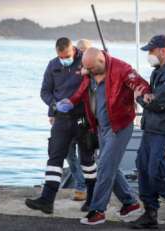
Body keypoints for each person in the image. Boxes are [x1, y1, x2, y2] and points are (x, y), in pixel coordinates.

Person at [56, 47, 151, 225]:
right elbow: (83, 89)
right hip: (101, 127)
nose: (87, 72)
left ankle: (98, 210)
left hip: (119, 126)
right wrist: (71, 101)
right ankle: (130, 202)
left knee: (105, 167)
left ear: (101, 61)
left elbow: (140, 83)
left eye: (90, 69)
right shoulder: (91, 72)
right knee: (107, 166)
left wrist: (144, 93)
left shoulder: (122, 69)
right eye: (86, 68)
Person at [25, 37, 97, 214]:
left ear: (73, 50)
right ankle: (47, 200)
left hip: (83, 118)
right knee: (55, 158)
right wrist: (54, 105)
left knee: (87, 161)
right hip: (62, 118)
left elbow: (100, 81)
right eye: (60, 57)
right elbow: (44, 91)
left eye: (67, 56)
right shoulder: (52, 65)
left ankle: (93, 199)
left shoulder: (86, 61)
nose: (64, 60)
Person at [130, 35, 165, 229]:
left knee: (157, 173)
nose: (149, 55)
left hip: (163, 131)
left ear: (162, 50)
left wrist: (140, 98)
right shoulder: (158, 71)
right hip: (150, 129)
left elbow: (159, 103)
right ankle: (150, 213)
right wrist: (148, 97)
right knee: (142, 169)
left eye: (151, 51)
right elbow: (154, 97)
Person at [64, 39, 93, 202]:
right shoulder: (70, 68)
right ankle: (81, 182)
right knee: (68, 153)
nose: (81, 53)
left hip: (86, 120)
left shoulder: (94, 71)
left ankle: (84, 187)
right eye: (79, 50)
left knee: (86, 157)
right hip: (68, 118)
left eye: (85, 51)